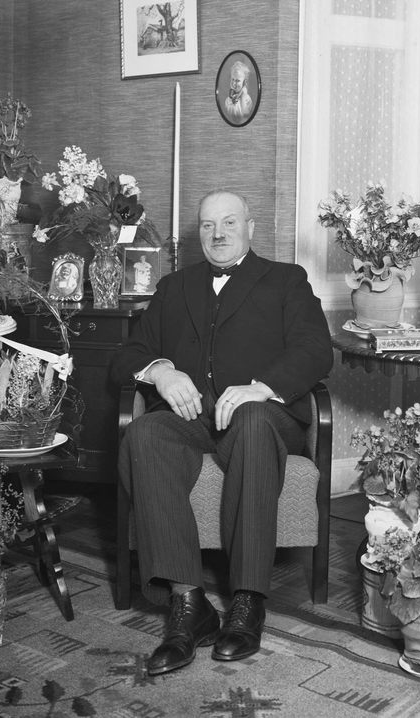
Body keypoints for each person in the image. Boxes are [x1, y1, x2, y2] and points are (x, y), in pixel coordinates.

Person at [113, 190, 332, 675]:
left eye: (229, 223)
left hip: (264, 419)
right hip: (192, 419)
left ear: (250, 228)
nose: (218, 234)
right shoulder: (174, 286)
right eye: (209, 225)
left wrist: (262, 388)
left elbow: (316, 349)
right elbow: (128, 354)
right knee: (144, 434)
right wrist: (161, 372)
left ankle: (248, 601)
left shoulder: (286, 280)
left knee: (252, 422)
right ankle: (189, 605)